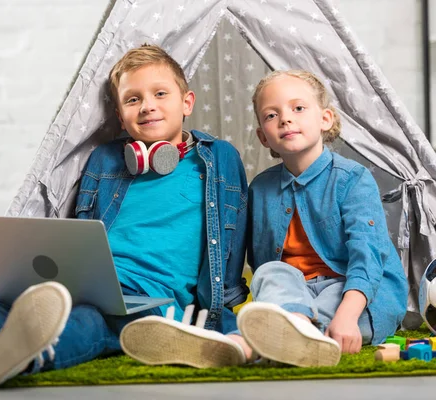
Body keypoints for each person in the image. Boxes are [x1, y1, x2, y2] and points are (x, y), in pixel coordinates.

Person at [0, 44, 250, 388]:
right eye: (133, 99)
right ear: (120, 115)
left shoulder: (217, 160)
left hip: (151, 304)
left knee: (88, 322)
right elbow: (81, 232)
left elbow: (231, 248)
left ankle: (20, 357)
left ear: (187, 102)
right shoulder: (106, 160)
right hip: (93, 280)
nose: (147, 107)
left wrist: (222, 316)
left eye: (161, 94)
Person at [121, 69, 408, 369]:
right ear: (262, 137)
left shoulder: (353, 179)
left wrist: (347, 317)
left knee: (333, 298)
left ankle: (249, 344)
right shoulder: (261, 188)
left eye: (298, 108)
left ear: (325, 119)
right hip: (291, 294)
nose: (285, 119)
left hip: (355, 292)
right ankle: (286, 330)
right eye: (271, 115)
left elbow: (368, 257)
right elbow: (259, 261)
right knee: (271, 271)